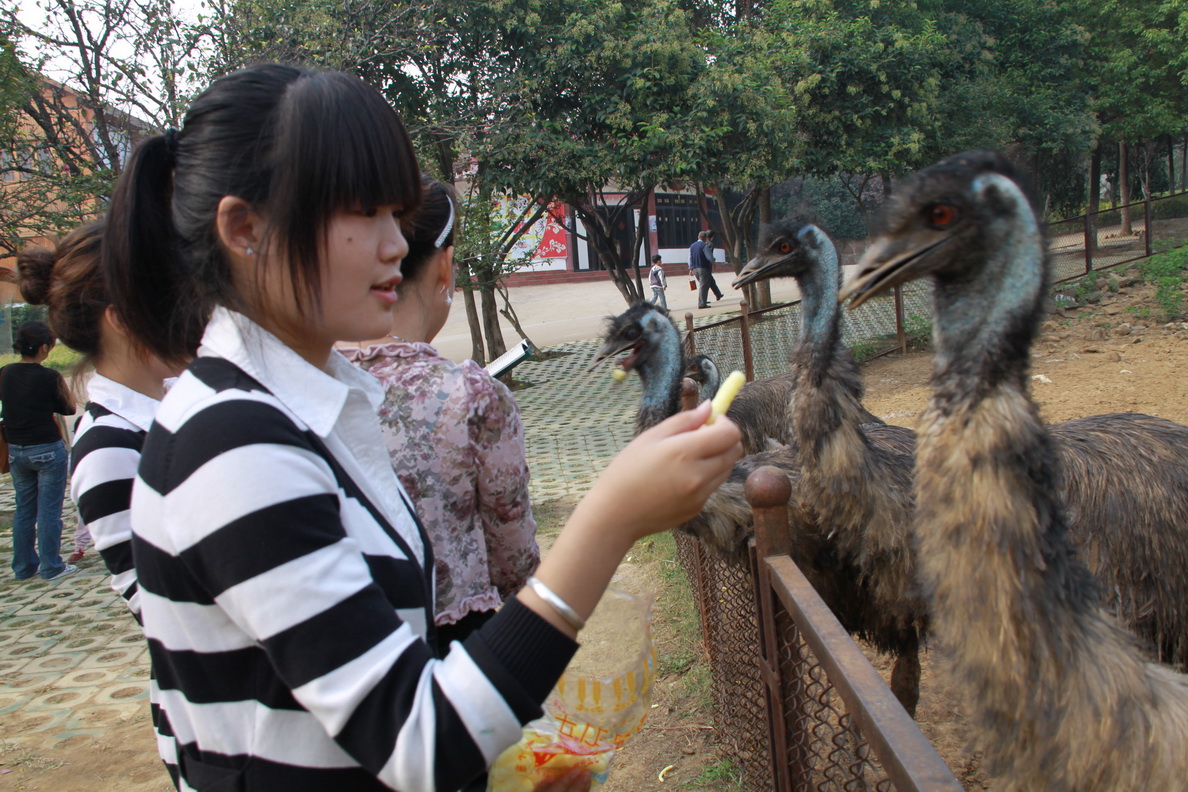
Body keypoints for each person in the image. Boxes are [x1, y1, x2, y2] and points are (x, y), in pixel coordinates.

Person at [103, 63, 741, 792]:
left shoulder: (306, 411)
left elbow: (368, 698)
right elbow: (416, 740)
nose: (395, 245)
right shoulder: (231, 446)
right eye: (360, 213)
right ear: (245, 230)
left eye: (395, 214)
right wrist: (612, 517)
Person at [345, 176, 539, 651]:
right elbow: (515, 564)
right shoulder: (471, 397)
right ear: (445, 268)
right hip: (449, 661)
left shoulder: (299, 382)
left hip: (333, 659)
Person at [16, 221, 183, 618]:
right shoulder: (108, 451)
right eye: (177, 296)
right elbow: (158, 607)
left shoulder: (188, 402)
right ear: (123, 319)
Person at [1, 321, 76, 581]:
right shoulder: (49, 376)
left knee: (24, 510)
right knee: (49, 512)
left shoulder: (5, 372)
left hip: (16, 451)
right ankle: (51, 566)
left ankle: (23, 568)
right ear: (44, 347)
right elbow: (69, 409)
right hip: (46, 450)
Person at [688, 230, 723, 308]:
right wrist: (713, 263)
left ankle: (703, 300)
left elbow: (690, 258)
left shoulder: (692, 246)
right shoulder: (704, 246)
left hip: (695, 268)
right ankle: (702, 304)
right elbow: (709, 257)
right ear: (704, 238)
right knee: (703, 285)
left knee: (703, 285)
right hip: (703, 267)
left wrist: (690, 268)